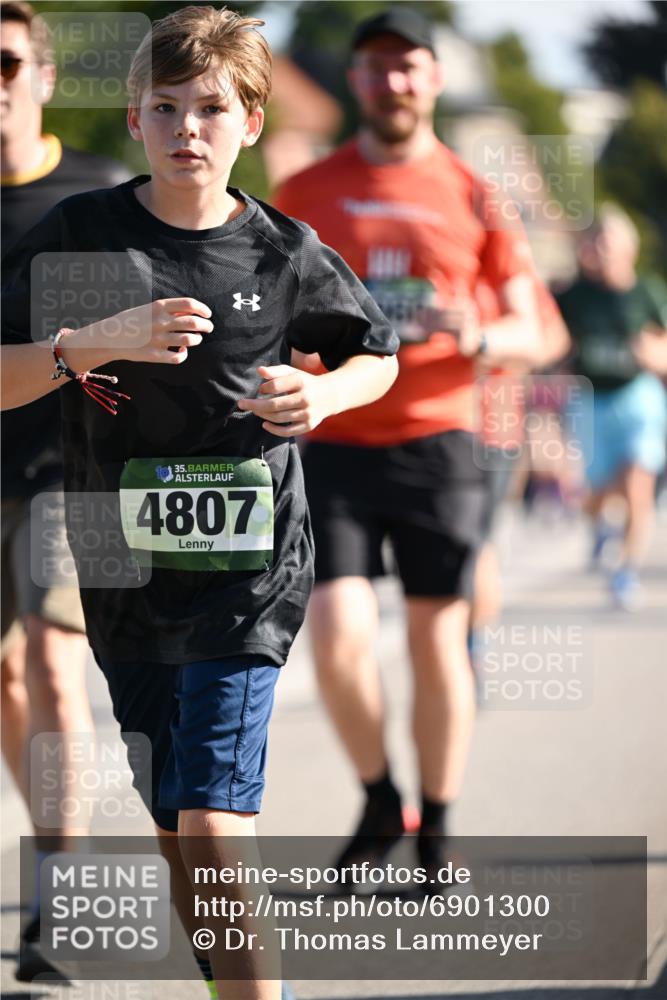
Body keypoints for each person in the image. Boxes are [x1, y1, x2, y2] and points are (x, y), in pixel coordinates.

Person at [1, 7, 399, 999]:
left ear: (251, 122)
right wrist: (89, 344)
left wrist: (324, 392)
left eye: (212, 108)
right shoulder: (82, 233)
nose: (188, 128)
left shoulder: (283, 251)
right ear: (133, 119)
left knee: (218, 824)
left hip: (248, 573)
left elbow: (375, 355)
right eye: (165, 107)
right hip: (121, 565)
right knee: (180, 828)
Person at [274, 8, 553, 880]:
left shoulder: (476, 192)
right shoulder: (306, 190)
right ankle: (376, 799)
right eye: (374, 67)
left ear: (433, 78)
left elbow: (535, 332)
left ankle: (435, 826)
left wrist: (479, 332)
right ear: (354, 81)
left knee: (438, 642)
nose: (391, 81)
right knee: (337, 638)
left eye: (407, 66)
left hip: (441, 440)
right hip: (338, 441)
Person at [0, 0, 129, 981]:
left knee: (51, 660)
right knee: (5, 679)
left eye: (7, 63)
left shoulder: (99, 192)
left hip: (71, 468)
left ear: (43, 76)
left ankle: (63, 884)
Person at [556, 204, 667, 610]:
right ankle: (600, 526)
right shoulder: (575, 294)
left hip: (636, 396)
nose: (601, 250)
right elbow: (552, 337)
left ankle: (626, 571)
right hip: (589, 399)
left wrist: (654, 355)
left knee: (637, 483)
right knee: (596, 494)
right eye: (595, 241)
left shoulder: (648, 293)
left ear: (628, 249)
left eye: (608, 241)